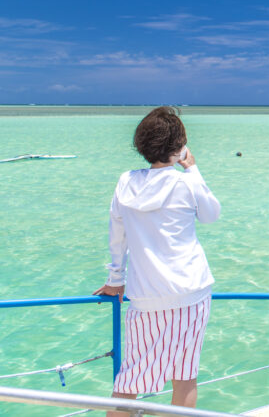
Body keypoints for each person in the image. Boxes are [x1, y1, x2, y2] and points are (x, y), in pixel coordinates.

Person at [93, 106, 221, 417]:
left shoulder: (126, 182)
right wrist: (192, 169)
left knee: (130, 378)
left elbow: (117, 237)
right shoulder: (185, 182)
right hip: (191, 291)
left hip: (145, 295)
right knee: (184, 376)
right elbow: (211, 214)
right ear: (180, 147)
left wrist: (114, 280)